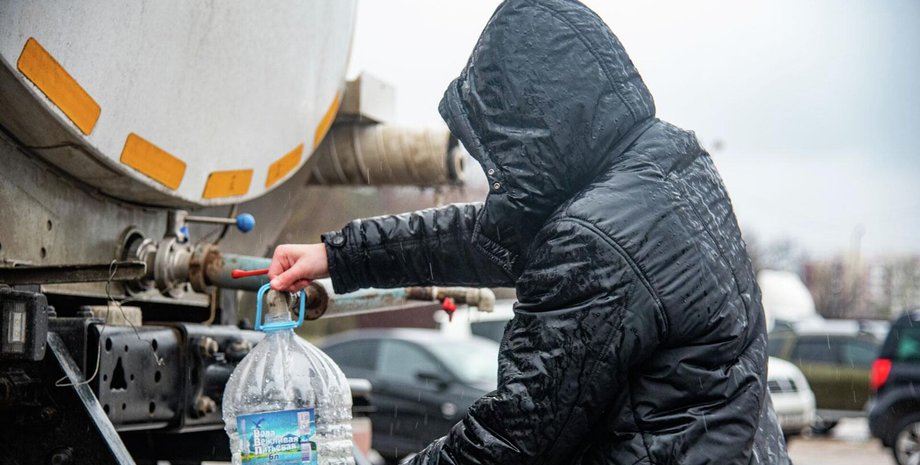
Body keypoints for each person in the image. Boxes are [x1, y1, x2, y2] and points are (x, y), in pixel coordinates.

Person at [269, 0, 790, 464]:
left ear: (532, 121)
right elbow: (485, 236)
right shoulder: (668, 166)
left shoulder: (593, 239)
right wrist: (338, 256)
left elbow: (515, 439)